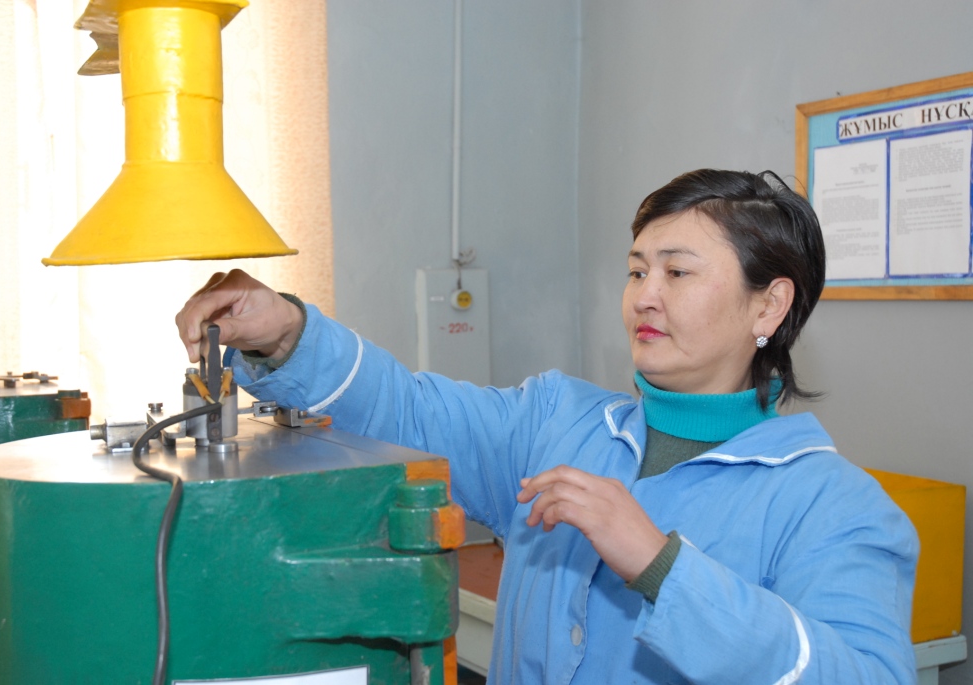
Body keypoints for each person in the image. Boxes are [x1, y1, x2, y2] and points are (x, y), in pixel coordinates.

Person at [176, 169, 917, 684]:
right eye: (637, 270)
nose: (644, 296)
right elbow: (407, 410)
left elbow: (863, 675)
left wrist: (661, 566)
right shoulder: (556, 422)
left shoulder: (837, 508)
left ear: (768, 305)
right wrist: (287, 334)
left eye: (677, 272)